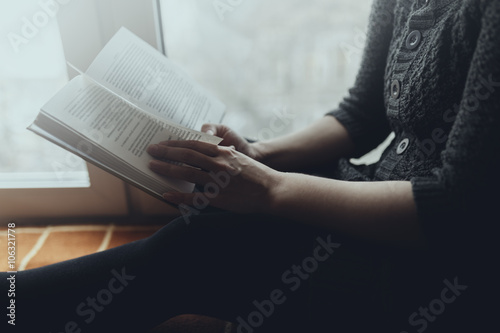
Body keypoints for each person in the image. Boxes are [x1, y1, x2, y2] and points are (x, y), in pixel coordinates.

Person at [2, 0, 499, 332]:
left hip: (445, 261)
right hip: (387, 193)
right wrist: (257, 160)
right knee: (223, 195)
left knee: (193, 251)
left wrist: (271, 189)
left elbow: (457, 211)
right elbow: (361, 114)